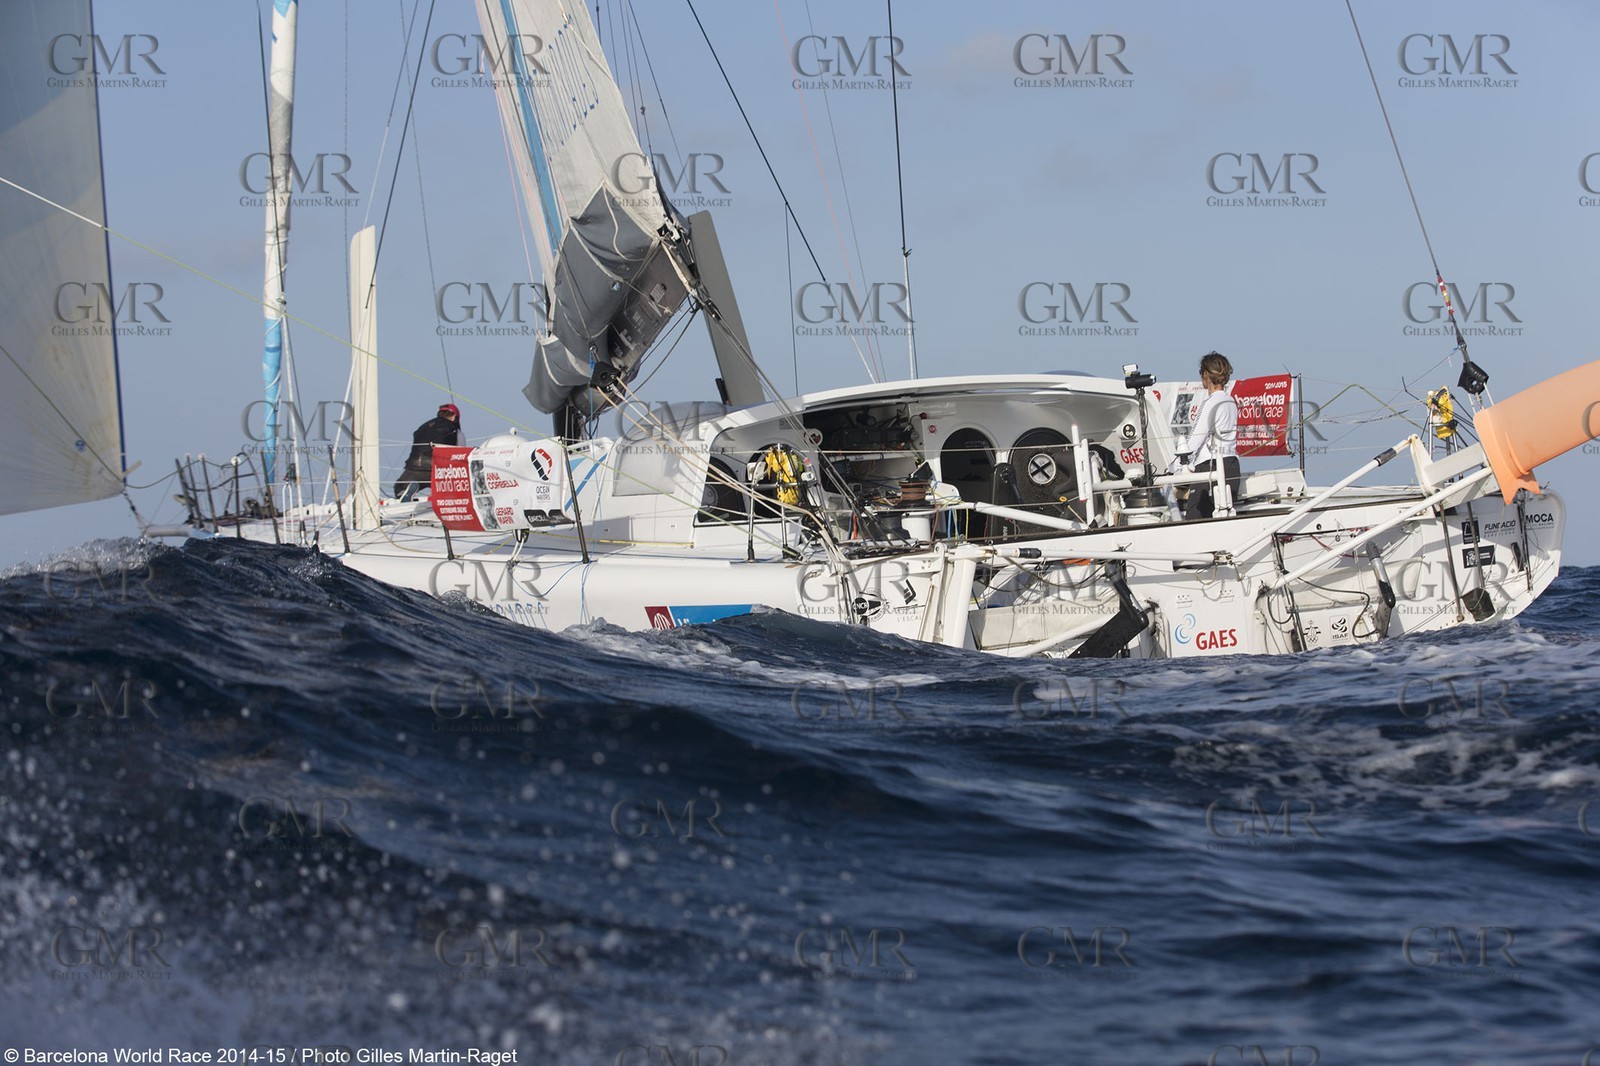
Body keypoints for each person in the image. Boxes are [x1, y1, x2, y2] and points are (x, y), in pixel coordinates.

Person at [1175, 352, 1242, 519]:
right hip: (1232, 465)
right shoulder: (1231, 401)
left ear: (1206, 375)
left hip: (1211, 468)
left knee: (1194, 521)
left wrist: (1171, 469)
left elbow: (1194, 441)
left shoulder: (1210, 403)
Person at [394, 402, 465, 500]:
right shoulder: (455, 430)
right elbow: (460, 454)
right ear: (454, 417)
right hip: (437, 469)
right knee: (449, 489)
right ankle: (443, 500)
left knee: (399, 488)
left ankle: (404, 493)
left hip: (414, 467)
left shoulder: (423, 427)